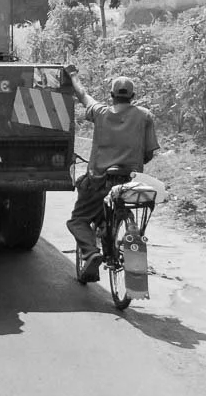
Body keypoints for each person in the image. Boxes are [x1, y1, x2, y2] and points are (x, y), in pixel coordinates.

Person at [65, 65, 160, 282]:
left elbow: (82, 94)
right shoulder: (145, 116)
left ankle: (90, 253)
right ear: (133, 96)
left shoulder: (100, 112)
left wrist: (72, 75)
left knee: (78, 220)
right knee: (124, 213)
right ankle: (128, 261)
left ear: (112, 96)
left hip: (100, 181)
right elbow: (148, 154)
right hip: (129, 182)